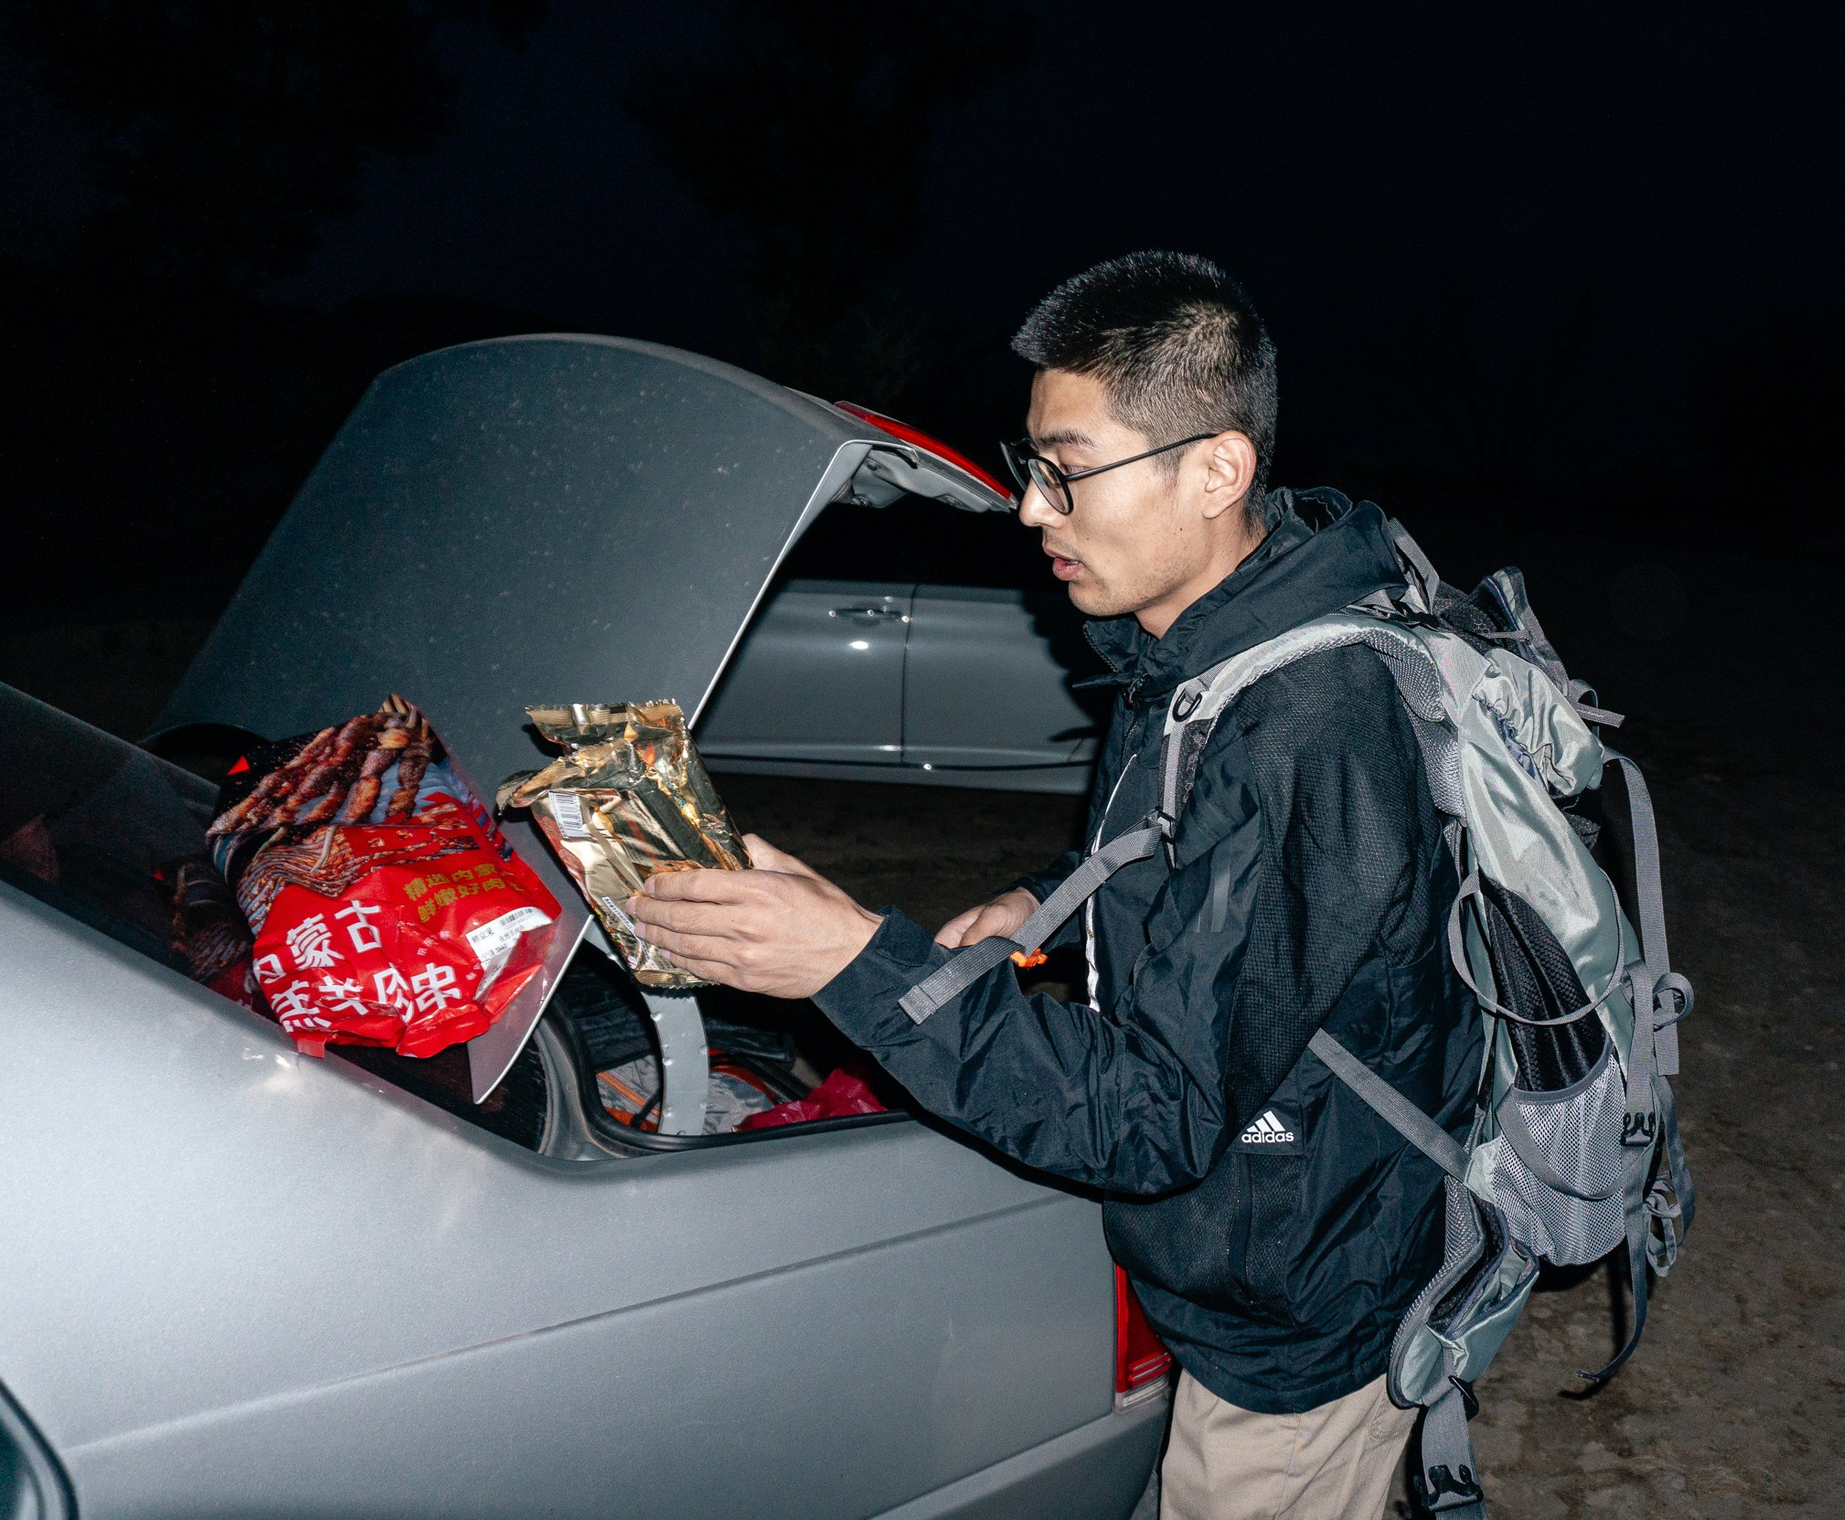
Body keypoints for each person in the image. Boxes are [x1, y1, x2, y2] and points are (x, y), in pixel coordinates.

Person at [627, 252, 1481, 1520]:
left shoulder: (1305, 721)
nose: (1032, 509)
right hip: (1261, 1226)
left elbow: (1155, 1116)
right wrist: (1048, 898)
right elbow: (1199, 863)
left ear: (1216, 471)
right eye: (1032, 464)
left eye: (1067, 470)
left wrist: (855, 964)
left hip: (1307, 1300)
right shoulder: (1208, 637)